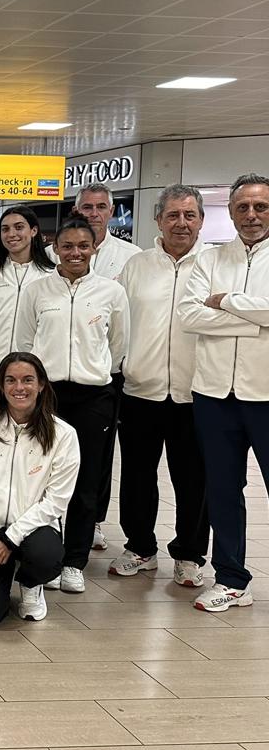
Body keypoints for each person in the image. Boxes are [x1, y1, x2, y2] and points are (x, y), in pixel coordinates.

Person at [16, 213, 129, 594]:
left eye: (83, 246)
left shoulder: (111, 293)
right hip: (47, 396)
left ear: (94, 248)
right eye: (68, 246)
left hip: (93, 396)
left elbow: (118, 347)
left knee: (86, 479)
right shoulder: (37, 290)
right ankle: (39, 549)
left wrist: (93, 370)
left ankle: (74, 560)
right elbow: (25, 343)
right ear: (55, 249)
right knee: (38, 475)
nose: (75, 252)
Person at [111, 185, 210, 586]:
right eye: (173, 215)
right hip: (140, 391)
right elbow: (118, 323)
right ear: (158, 221)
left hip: (196, 391)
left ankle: (190, 555)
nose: (181, 223)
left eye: (189, 215)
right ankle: (140, 547)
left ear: (201, 220)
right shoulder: (137, 266)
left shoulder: (213, 265)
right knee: (137, 475)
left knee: (193, 479)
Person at [179, 173, 269, 612]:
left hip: (266, 395)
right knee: (222, 490)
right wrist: (258, 318)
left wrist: (227, 300)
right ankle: (232, 578)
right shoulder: (210, 258)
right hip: (214, 394)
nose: (251, 215)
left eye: (261, 207)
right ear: (231, 211)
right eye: (243, 207)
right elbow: (190, 316)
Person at [0, 352, 81, 626]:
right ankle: (6, 568)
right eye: (11, 380)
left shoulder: (63, 435)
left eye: (27, 380)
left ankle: (31, 582)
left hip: (34, 531)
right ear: (0, 385)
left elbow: (55, 503)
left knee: (44, 556)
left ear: (42, 384)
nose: (19, 388)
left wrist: (11, 538)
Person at [57, 184, 142, 549]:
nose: (94, 212)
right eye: (87, 206)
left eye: (101, 207)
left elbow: (121, 335)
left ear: (111, 211)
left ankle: (88, 523)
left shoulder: (131, 256)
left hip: (98, 377)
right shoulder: (51, 260)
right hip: (54, 381)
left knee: (97, 460)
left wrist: (105, 365)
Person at [0, 204, 56, 410]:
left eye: (18, 227)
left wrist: (31, 370)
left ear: (33, 231)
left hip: (31, 376)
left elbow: (50, 330)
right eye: (5, 229)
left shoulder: (50, 276)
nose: (11, 234)